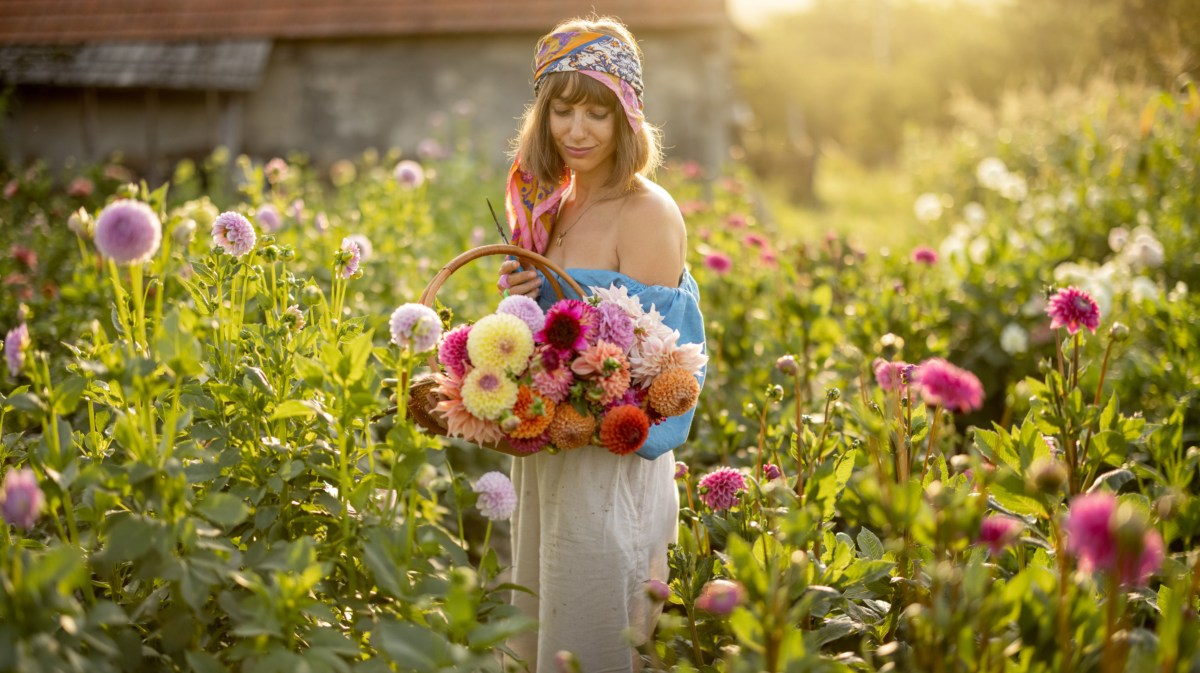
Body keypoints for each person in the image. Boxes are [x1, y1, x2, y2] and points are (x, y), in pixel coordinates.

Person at [495, 16, 707, 672]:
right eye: (562, 111)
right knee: (539, 619)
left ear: (627, 116)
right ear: (543, 116)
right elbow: (542, 334)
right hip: (545, 457)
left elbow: (652, 372)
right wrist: (517, 300)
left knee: (591, 634)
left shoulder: (647, 212)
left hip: (605, 464)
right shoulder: (551, 206)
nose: (577, 130)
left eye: (596, 111)